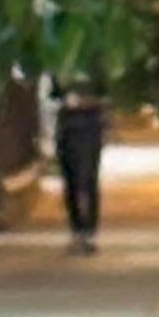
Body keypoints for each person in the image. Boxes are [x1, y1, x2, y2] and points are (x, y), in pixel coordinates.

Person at [54, 79, 109, 250]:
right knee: (70, 181)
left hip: (89, 127)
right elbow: (53, 95)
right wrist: (65, 101)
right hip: (66, 128)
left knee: (88, 179)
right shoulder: (58, 70)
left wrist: (86, 102)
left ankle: (89, 231)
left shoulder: (95, 68)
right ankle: (76, 229)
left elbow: (104, 94)